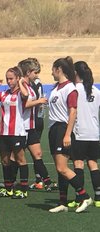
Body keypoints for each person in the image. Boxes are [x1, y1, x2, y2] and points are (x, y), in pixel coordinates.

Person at [47, 56, 92, 213]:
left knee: (62, 168)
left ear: (59, 69)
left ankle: (84, 195)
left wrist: (67, 134)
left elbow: (73, 112)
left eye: (53, 69)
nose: (51, 72)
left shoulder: (70, 89)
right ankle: (62, 202)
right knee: (60, 168)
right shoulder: (55, 89)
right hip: (53, 129)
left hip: (62, 129)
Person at [0, 67, 30, 199]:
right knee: (5, 161)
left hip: (17, 132)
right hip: (4, 133)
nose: (9, 81)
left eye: (11, 78)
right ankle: (8, 188)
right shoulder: (4, 94)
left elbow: (26, 95)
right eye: (7, 79)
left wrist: (21, 83)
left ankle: (23, 189)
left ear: (17, 78)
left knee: (20, 160)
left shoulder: (20, 93)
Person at [67, 61, 100, 208]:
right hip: (94, 133)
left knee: (78, 164)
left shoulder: (74, 89)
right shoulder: (96, 91)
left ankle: (80, 197)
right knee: (93, 164)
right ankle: (98, 197)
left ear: (75, 73)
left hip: (80, 133)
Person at [18, 58, 54, 191]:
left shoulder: (33, 84)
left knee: (37, 154)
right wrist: (39, 101)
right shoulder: (22, 85)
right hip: (21, 126)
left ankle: (46, 181)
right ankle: (10, 184)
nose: (37, 75)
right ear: (28, 72)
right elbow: (26, 104)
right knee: (15, 157)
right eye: (35, 72)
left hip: (32, 124)